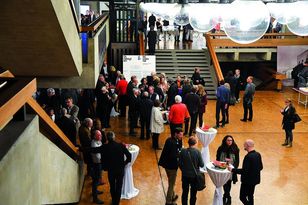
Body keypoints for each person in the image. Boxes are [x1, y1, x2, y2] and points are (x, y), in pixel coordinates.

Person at [228, 139, 263, 205]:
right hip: (255, 180)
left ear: (247, 145)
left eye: (244, 144)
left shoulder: (248, 157)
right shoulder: (258, 154)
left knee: (242, 197)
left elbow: (244, 171)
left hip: (247, 181)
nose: (244, 146)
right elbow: (261, 167)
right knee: (250, 196)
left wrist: (232, 170)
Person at [159, 127, 183, 205]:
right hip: (171, 167)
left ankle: (173, 195)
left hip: (166, 165)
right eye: (180, 135)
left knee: (170, 181)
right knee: (171, 184)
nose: (181, 136)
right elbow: (174, 156)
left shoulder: (169, 140)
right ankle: (169, 201)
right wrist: (180, 154)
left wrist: (179, 142)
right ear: (175, 134)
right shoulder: (173, 143)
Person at [179, 136, 204, 205]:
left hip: (185, 176)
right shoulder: (197, 152)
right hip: (194, 176)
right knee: (193, 194)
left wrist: (183, 170)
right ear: (195, 143)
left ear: (188, 143)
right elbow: (202, 164)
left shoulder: (183, 151)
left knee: (185, 193)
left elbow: (180, 164)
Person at [216, 135, 240, 205]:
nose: (230, 142)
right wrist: (220, 165)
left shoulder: (235, 149)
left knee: (229, 183)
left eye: (231, 140)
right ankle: (228, 196)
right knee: (224, 183)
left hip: (231, 170)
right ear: (225, 141)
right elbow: (217, 158)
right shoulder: (220, 148)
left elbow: (237, 161)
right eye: (228, 140)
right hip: (222, 169)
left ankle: (226, 196)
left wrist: (233, 168)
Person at [91, 130, 104, 204]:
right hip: (97, 164)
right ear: (95, 136)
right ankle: (95, 198)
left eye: (100, 135)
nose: (101, 136)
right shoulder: (94, 144)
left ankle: (95, 191)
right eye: (99, 135)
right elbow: (98, 157)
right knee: (95, 181)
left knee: (97, 179)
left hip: (99, 163)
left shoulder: (98, 141)